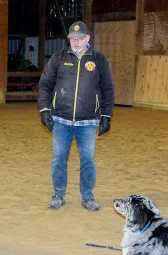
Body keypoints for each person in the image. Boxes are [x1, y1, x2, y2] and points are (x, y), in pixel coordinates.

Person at [38, 21, 115, 211]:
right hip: (61, 120)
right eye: (73, 38)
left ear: (87, 38)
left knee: (88, 160)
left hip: (88, 122)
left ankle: (87, 197)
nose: (76, 42)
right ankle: (58, 195)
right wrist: (44, 110)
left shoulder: (99, 60)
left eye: (80, 39)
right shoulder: (58, 57)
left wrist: (106, 115)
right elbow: (45, 85)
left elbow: (108, 89)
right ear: (69, 39)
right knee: (59, 159)